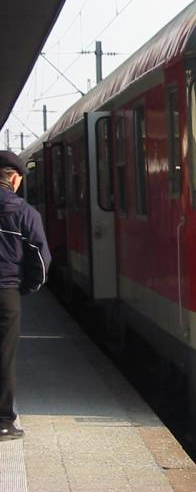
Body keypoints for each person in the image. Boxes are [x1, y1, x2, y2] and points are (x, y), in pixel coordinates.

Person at [0, 151, 51, 442]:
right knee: (3, 355)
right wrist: (26, 288)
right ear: (15, 178)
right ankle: (4, 421)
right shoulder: (24, 213)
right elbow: (41, 260)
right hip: (6, 292)